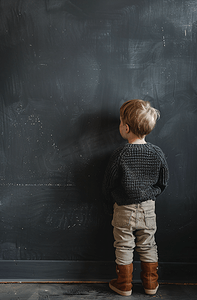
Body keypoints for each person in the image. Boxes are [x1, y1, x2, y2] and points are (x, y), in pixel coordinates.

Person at [102, 99, 169, 296]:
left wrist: (110, 203)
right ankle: (150, 284)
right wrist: (151, 194)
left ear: (126, 127)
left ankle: (124, 285)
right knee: (148, 244)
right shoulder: (157, 153)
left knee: (124, 244)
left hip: (123, 208)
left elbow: (108, 184)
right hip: (148, 208)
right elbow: (162, 183)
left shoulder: (120, 154)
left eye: (120, 122)